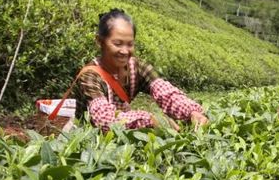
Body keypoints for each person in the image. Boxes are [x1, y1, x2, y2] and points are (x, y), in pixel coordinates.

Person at [72, 9, 209, 131]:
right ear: (99, 42)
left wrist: (192, 112)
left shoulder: (137, 68)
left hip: (125, 136)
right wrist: (150, 120)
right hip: (90, 141)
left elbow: (165, 93)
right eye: (117, 44)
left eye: (130, 44)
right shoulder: (90, 77)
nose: (125, 51)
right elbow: (104, 119)